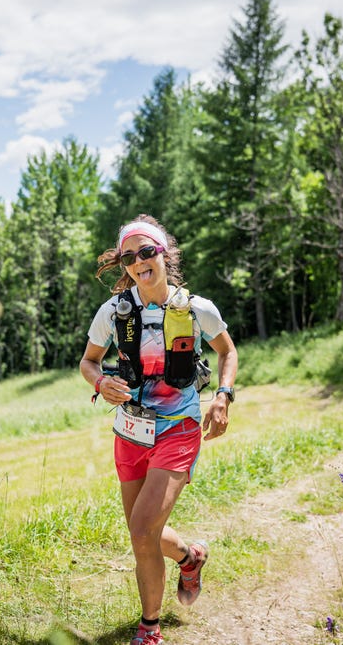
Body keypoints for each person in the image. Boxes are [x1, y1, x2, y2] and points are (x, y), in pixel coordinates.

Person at [80, 215, 238, 645]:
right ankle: (191, 557)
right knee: (140, 531)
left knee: (143, 529)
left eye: (146, 252)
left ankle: (149, 629)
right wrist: (100, 381)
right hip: (130, 432)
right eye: (129, 256)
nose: (138, 262)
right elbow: (88, 360)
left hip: (178, 428)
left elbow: (228, 351)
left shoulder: (196, 309)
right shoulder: (114, 311)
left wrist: (223, 396)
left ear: (163, 253)